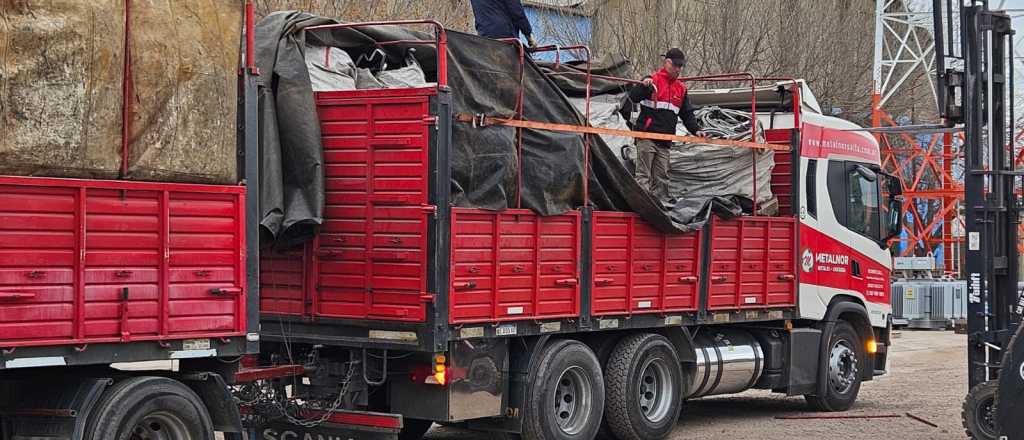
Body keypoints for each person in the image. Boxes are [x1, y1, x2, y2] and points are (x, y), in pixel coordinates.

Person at [619, 48, 702, 207]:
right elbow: (633, 97)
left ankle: (659, 208)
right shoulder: (653, 81)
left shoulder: (681, 89)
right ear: (667, 63)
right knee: (644, 175)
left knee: (662, 177)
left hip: (664, 141)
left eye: (680, 66)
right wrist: (644, 84)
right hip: (647, 137)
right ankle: (641, 206)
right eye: (676, 66)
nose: (678, 69)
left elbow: (687, 113)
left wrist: (696, 130)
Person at [470, 0, 538, 47]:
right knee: (526, 64)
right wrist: (528, 34)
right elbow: (517, 12)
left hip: (484, 37)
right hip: (505, 38)